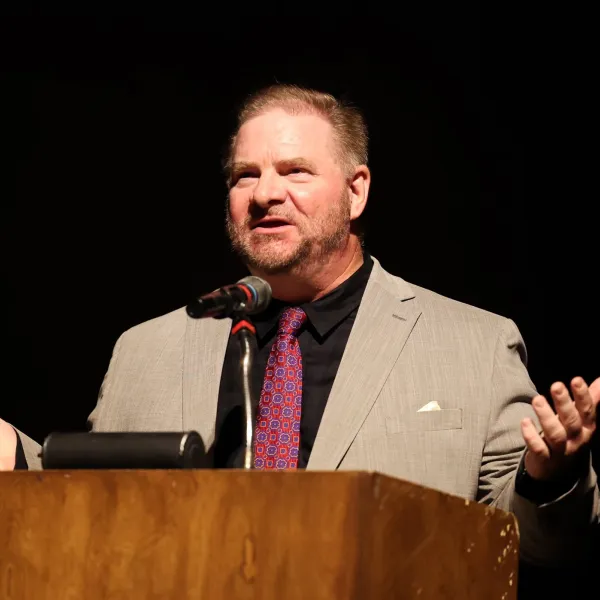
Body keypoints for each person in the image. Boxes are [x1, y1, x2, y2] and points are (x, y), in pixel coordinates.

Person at [2, 84, 598, 567]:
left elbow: (532, 547)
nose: (264, 194)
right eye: (244, 175)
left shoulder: (473, 344)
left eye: (295, 171)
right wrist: (14, 458)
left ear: (356, 191)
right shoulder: (147, 349)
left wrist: (548, 479)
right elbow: (82, 508)